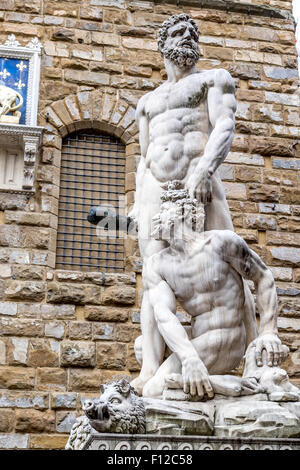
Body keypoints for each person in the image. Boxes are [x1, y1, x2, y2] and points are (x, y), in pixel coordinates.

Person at [130, 13, 257, 394]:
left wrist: (205, 168)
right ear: (163, 42)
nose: (187, 36)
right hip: (154, 188)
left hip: (200, 182)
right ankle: (150, 369)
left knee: (232, 264)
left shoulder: (212, 79)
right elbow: (144, 154)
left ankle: (254, 356)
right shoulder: (147, 102)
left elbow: (224, 124)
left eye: (192, 32)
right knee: (153, 278)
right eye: (178, 31)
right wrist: (138, 202)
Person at [140, 182, 287, 399]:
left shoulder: (222, 243)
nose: (157, 215)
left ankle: (219, 386)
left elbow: (263, 276)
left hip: (227, 337)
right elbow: (163, 314)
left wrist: (268, 332)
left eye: (166, 207)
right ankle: (219, 385)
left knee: (152, 391)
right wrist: (189, 358)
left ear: (184, 211)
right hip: (199, 339)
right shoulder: (157, 264)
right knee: (140, 347)